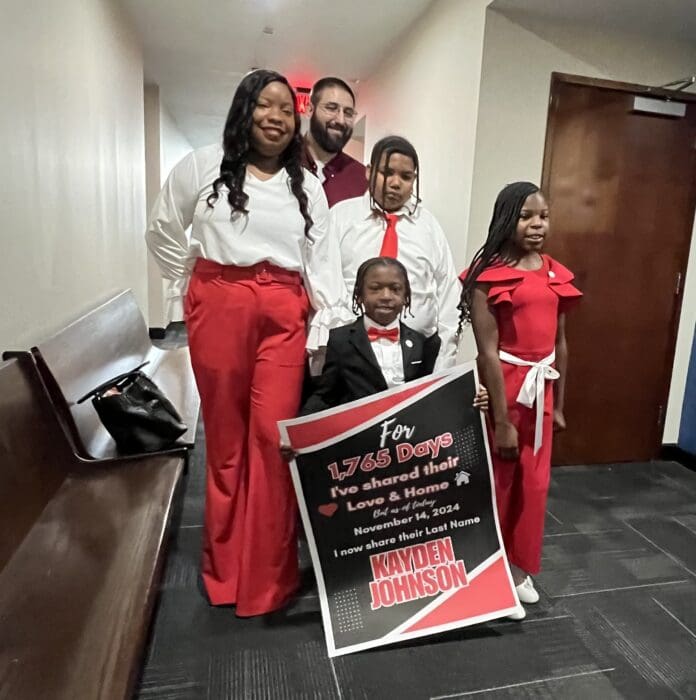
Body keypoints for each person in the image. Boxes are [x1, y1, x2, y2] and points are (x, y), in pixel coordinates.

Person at [145, 69, 349, 617]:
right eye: (266, 105)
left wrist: (324, 322)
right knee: (229, 445)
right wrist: (191, 280)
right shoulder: (203, 166)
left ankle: (267, 580)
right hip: (220, 305)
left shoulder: (306, 184)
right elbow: (163, 228)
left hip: (284, 313)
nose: (277, 117)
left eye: (287, 109)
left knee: (272, 441)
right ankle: (225, 573)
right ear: (245, 109)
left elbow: (321, 257)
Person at [459, 181, 582, 620]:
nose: (536, 225)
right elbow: (487, 351)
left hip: (542, 390)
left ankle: (518, 569)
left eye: (543, 216)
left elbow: (561, 344)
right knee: (502, 485)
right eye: (526, 216)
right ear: (507, 218)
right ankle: (489, 574)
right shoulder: (488, 274)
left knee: (535, 486)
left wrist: (560, 403)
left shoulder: (555, 272)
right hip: (506, 388)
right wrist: (501, 418)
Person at [281, 257, 486, 458]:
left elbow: (429, 398)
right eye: (375, 288)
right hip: (359, 446)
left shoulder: (424, 343)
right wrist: (297, 433)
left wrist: (471, 396)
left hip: (406, 446)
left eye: (395, 289)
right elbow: (325, 396)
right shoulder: (340, 340)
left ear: (406, 297)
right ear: (359, 295)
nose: (386, 296)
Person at [330, 136, 461, 370]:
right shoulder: (341, 217)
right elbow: (325, 282)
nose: (395, 183)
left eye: (406, 176)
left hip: (418, 356)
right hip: (351, 352)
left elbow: (449, 294)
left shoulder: (429, 226)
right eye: (387, 173)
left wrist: (443, 363)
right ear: (369, 172)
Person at [303, 77, 367, 207]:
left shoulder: (362, 179)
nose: (341, 120)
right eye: (331, 108)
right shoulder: (279, 162)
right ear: (310, 110)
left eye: (348, 113)